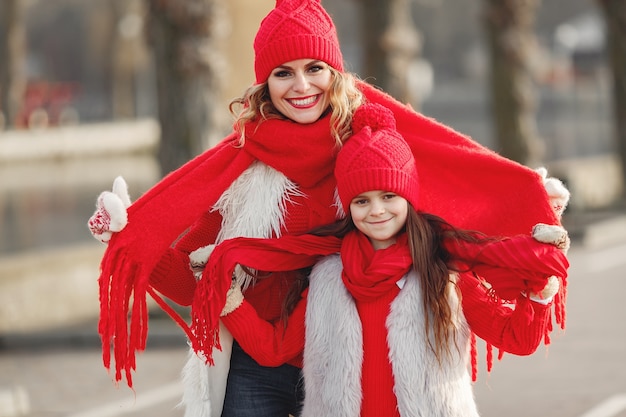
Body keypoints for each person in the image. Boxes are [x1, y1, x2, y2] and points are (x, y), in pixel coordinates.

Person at [88, 0, 570, 416]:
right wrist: (131, 236)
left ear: (335, 73)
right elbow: (197, 282)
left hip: (352, 360)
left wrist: (528, 210)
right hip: (255, 363)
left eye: (314, 68)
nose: (301, 86)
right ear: (264, 84)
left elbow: (456, 184)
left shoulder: (373, 146)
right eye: (283, 73)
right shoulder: (239, 169)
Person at [190, 104, 570, 416]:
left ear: (409, 197)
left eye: (389, 196)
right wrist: (230, 302)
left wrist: (538, 291)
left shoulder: (441, 271)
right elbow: (273, 349)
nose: (376, 211)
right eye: (361, 200)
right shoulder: (328, 277)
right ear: (348, 206)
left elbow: (516, 338)